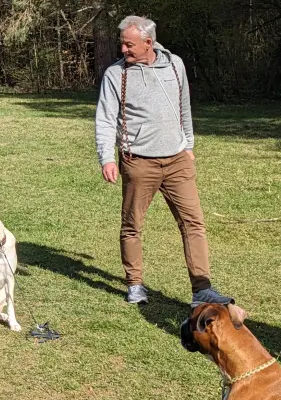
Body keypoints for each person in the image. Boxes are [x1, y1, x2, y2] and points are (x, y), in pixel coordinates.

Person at [95, 15, 228, 305]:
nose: (124, 51)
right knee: (132, 225)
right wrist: (107, 158)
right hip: (139, 162)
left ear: (148, 42)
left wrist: (189, 145)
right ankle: (135, 284)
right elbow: (105, 119)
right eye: (122, 45)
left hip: (178, 160)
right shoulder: (116, 75)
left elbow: (184, 106)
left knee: (194, 223)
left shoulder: (175, 64)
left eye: (129, 45)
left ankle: (202, 289)